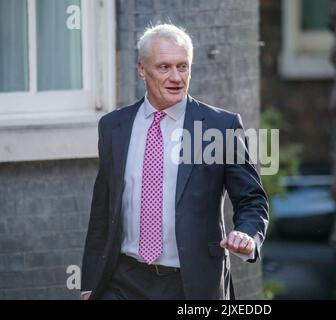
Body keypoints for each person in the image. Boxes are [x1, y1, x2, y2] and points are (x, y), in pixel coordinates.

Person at [80, 24, 269, 300]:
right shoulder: (113, 127)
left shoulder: (220, 127)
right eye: (164, 67)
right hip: (122, 280)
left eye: (183, 67)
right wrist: (89, 285)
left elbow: (252, 199)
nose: (176, 77)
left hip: (191, 283)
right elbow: (102, 211)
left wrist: (247, 234)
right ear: (142, 70)